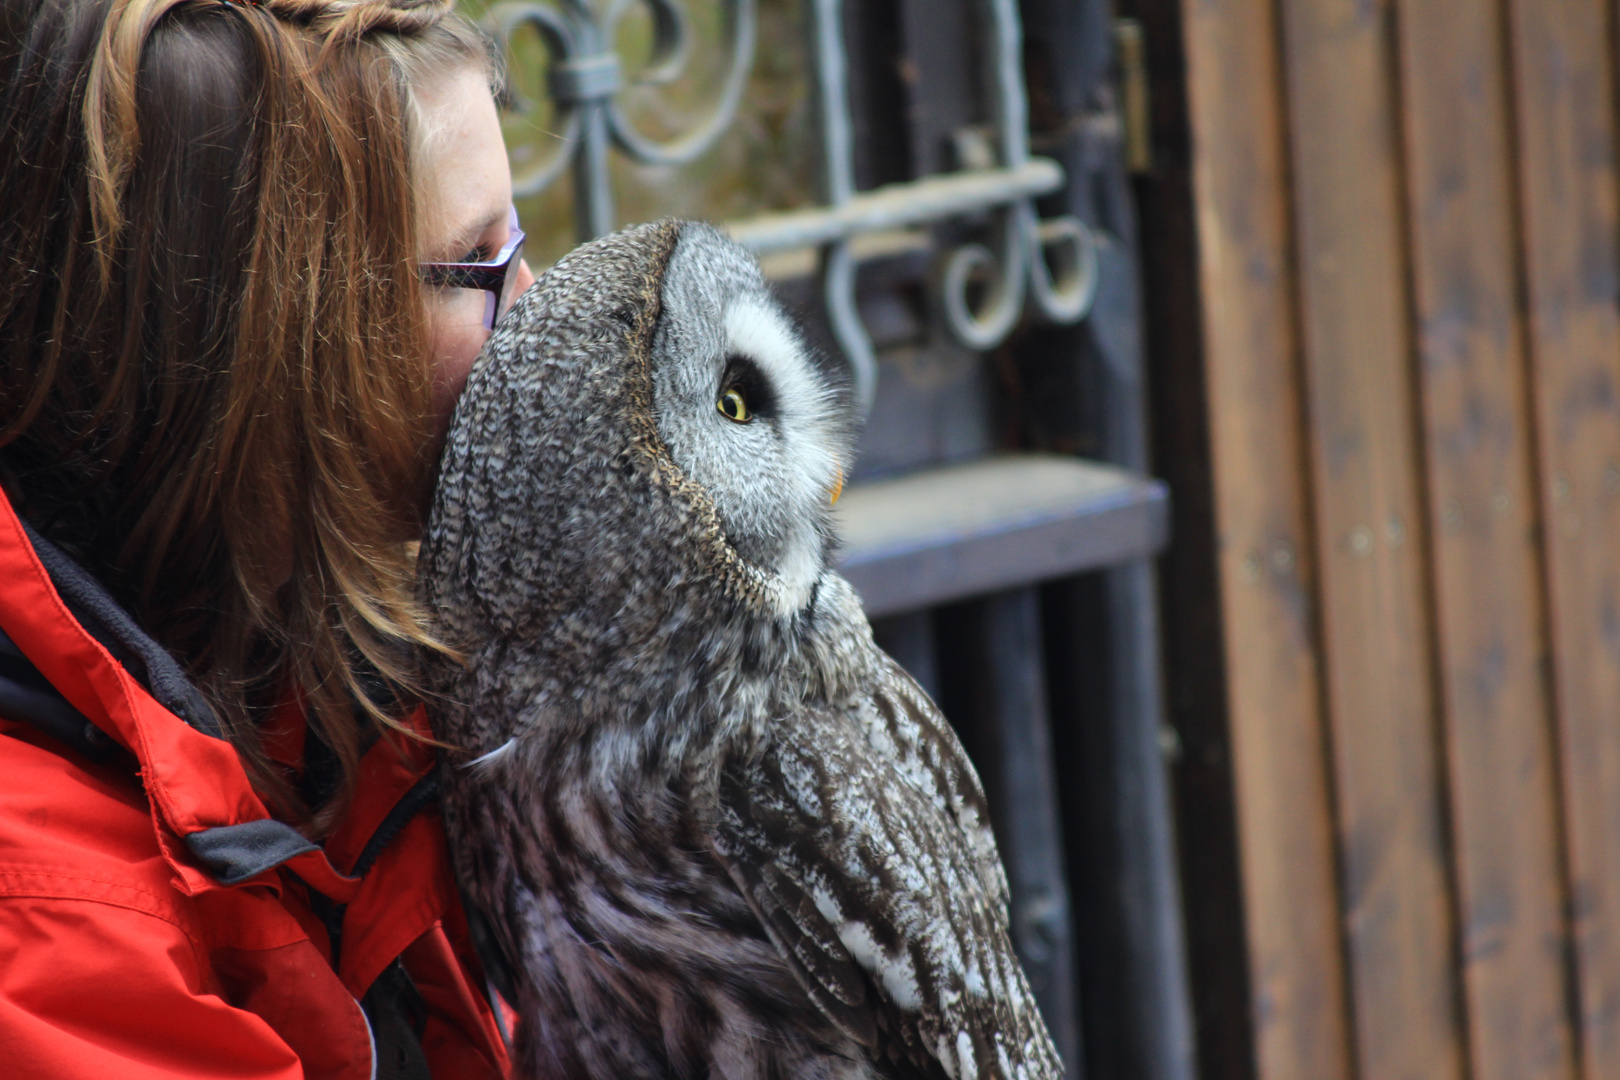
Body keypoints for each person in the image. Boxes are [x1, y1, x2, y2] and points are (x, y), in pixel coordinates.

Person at [0, 0, 536, 1074]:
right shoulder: (47, 915)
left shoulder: (332, 683)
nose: (532, 303)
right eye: (478, 261)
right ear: (279, 346)